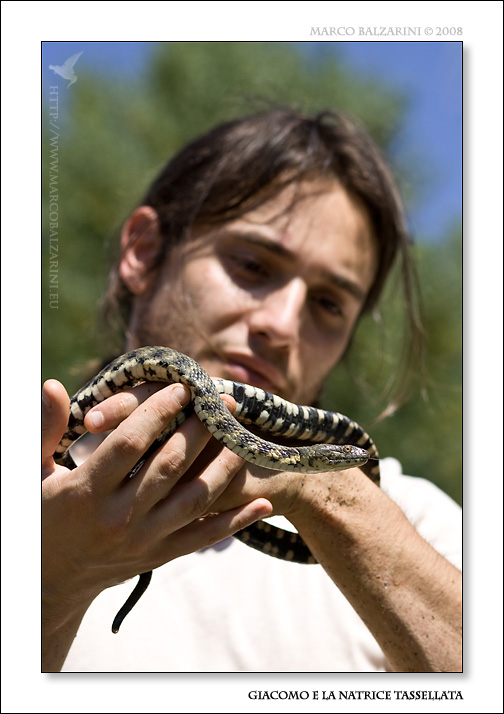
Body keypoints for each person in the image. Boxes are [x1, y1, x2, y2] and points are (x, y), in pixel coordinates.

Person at [42, 108, 462, 673]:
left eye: (329, 303)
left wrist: (325, 492)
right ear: (142, 251)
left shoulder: (420, 524)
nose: (283, 325)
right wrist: (50, 584)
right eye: (252, 264)